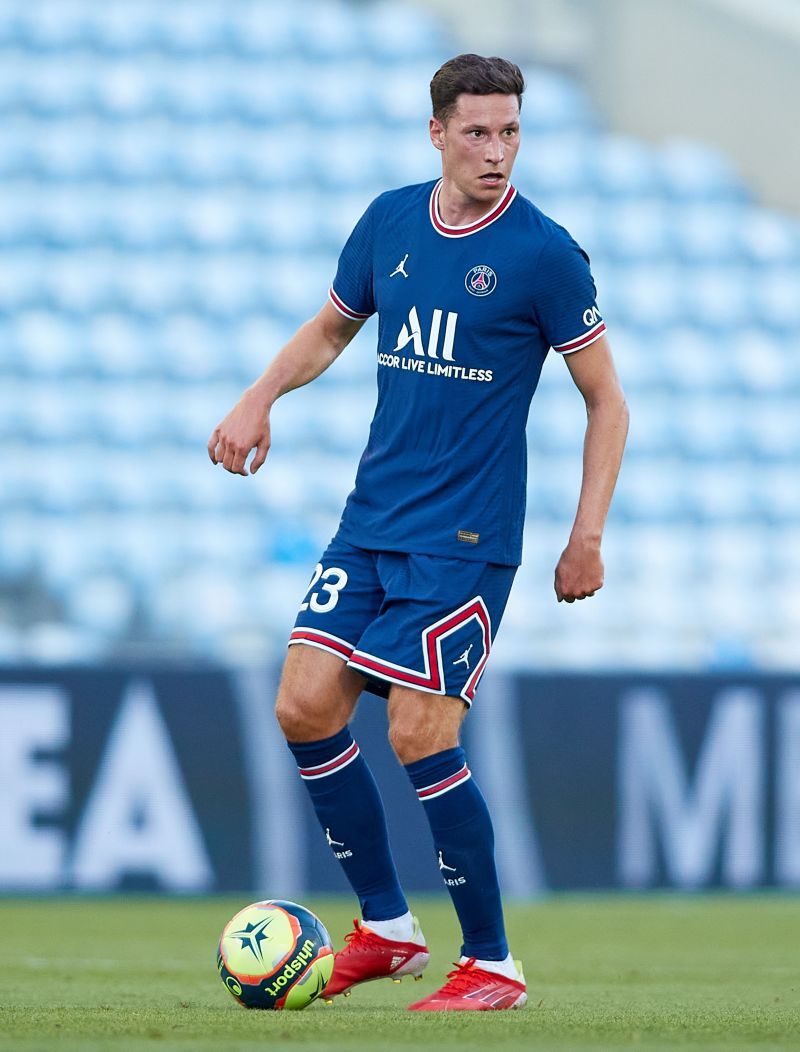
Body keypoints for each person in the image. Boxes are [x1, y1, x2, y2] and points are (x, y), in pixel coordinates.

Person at [208, 53, 629, 1011]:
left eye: (511, 131)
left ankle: (493, 963)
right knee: (303, 706)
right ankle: (389, 928)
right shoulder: (390, 220)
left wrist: (587, 534)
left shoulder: (545, 254)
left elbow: (607, 400)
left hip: (466, 543)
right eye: (477, 131)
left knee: (417, 732)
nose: (497, 150)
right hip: (371, 525)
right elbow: (331, 327)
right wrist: (260, 396)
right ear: (436, 132)